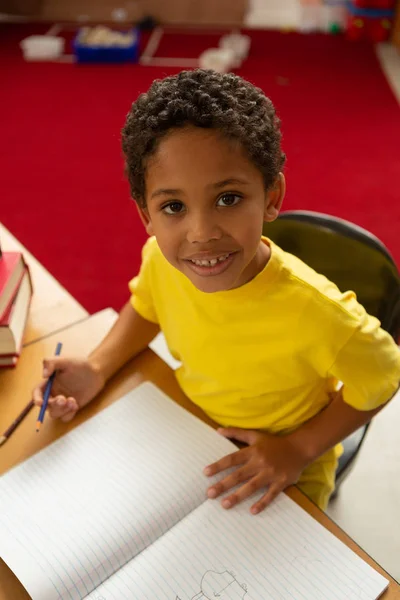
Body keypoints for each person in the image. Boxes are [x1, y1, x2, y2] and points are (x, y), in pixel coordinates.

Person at [33, 69, 400, 513]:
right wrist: (97, 366)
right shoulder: (160, 259)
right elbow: (147, 306)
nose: (202, 233)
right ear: (146, 215)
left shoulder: (319, 311)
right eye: (173, 207)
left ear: (271, 195)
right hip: (197, 433)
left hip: (284, 465)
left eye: (227, 198)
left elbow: (383, 376)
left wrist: (300, 450)